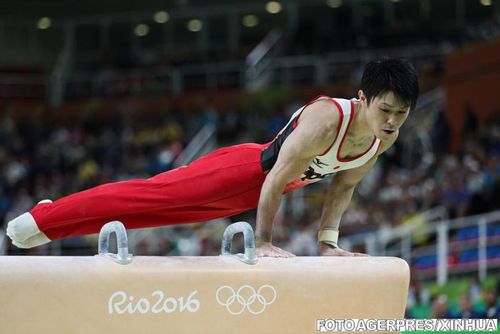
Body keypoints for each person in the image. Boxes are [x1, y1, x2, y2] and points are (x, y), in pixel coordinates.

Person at [6, 58, 419, 257]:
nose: (391, 121)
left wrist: (328, 244)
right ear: (363, 98)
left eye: (401, 113)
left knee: (151, 217)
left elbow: (343, 186)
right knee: (145, 198)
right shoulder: (327, 119)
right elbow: (276, 178)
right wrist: (266, 243)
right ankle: (45, 217)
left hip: (246, 196)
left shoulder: (384, 139)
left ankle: (52, 224)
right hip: (241, 171)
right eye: (385, 109)